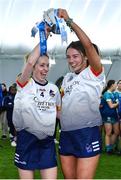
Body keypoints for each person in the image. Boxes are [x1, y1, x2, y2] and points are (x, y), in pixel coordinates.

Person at [57, 9, 106, 179]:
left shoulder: (94, 73)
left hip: (87, 132)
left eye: (75, 56)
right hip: (66, 134)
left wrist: (69, 21)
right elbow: (61, 107)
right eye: (68, 57)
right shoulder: (67, 78)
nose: (71, 60)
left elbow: (87, 44)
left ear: (85, 57)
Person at [12, 25, 61, 179]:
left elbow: (60, 114)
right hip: (27, 140)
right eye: (41, 65)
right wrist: (43, 37)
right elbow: (29, 62)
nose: (45, 69)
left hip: (47, 143)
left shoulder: (53, 89)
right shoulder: (24, 84)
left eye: (47, 65)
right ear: (33, 67)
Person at [100, 80, 119, 154]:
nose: (116, 86)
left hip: (114, 115)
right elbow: (111, 106)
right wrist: (117, 104)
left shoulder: (113, 94)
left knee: (116, 132)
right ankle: (108, 149)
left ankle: (111, 146)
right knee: (108, 132)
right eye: (115, 84)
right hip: (107, 115)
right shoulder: (107, 94)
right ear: (112, 85)